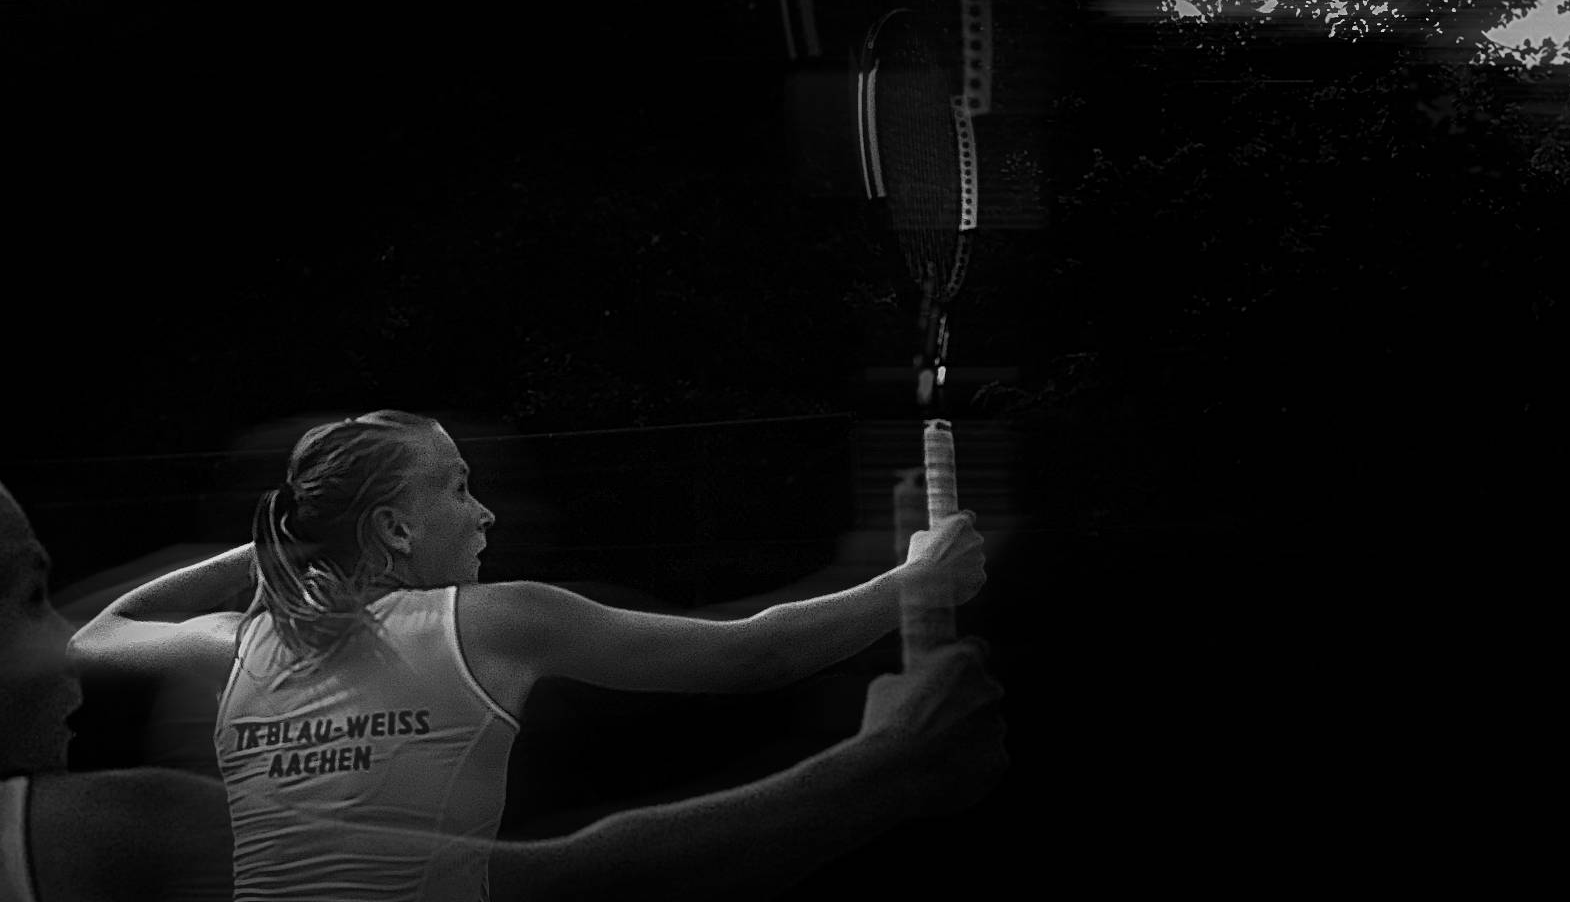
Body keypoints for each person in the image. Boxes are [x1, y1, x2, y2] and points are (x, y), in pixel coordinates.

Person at [16, 411, 997, 900]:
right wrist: (913, 582)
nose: (483, 511)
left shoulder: (239, 642)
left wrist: (280, 542)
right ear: (396, 529)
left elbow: (97, 633)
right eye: (457, 487)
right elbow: (754, 657)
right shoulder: (498, 620)